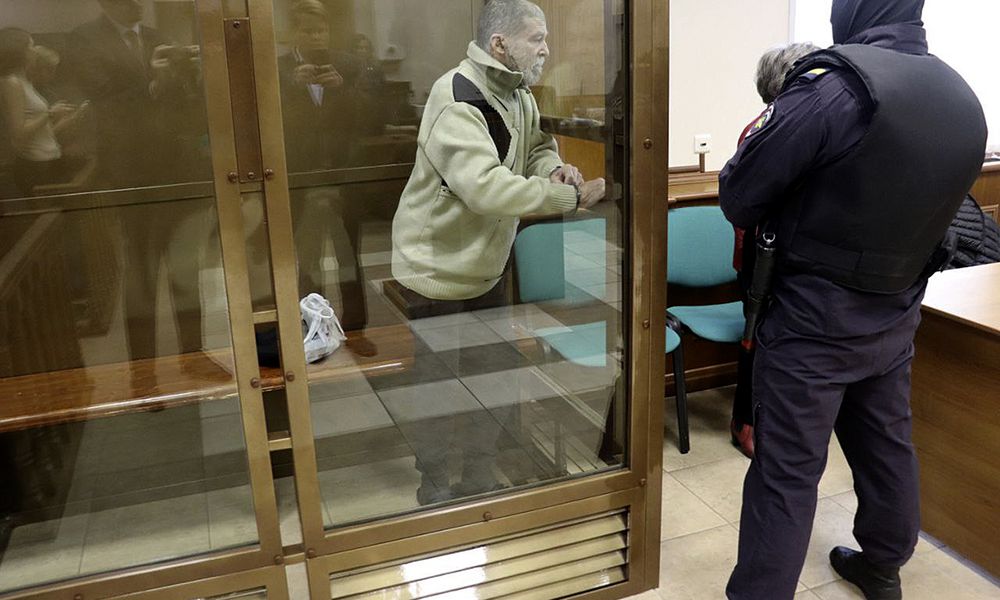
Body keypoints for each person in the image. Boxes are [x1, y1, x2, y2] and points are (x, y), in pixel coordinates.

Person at [720, 1, 987, 599]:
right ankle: (884, 564)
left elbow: (740, 194)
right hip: (896, 312)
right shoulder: (962, 95)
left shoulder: (836, 87)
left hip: (814, 319)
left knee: (786, 475)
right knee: (887, 446)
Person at [391, 0, 605, 304]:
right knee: (445, 354)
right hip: (436, 275)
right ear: (500, 44)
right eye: (536, 39)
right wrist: (571, 197)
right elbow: (484, 188)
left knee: (493, 353)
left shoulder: (519, 92)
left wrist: (552, 171)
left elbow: (537, 148)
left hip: (487, 267)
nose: (546, 50)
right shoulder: (457, 96)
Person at [730, 42, 819, 459]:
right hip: (762, 256)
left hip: (802, 258)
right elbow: (743, 201)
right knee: (757, 339)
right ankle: (746, 423)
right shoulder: (768, 126)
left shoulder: (815, 123)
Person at [277, 0, 377, 357]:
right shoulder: (279, 70)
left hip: (343, 175)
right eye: (308, 30)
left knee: (349, 253)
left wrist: (343, 89)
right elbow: (271, 123)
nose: (317, 36)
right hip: (299, 178)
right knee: (308, 256)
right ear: (295, 33)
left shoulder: (348, 64)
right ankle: (313, 331)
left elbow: (370, 116)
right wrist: (290, 86)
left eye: (321, 30)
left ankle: (357, 329)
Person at [0, 29, 86, 195]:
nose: (34, 49)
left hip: (47, 160)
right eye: (30, 46)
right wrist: (50, 114)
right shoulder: (11, 82)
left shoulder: (24, 81)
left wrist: (62, 120)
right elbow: (18, 134)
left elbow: (40, 133)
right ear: (20, 51)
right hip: (34, 166)